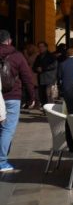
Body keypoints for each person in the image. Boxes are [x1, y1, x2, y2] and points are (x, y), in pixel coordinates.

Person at [0, 30, 36, 172]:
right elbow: (27, 77)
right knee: (8, 129)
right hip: (12, 96)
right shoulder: (17, 56)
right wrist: (32, 97)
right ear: (9, 41)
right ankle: (2, 161)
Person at [33, 41, 58, 109]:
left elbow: (54, 65)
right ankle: (45, 109)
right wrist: (36, 69)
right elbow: (34, 66)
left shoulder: (51, 56)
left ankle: (51, 109)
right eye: (39, 47)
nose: (40, 48)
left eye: (42, 47)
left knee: (48, 95)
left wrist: (43, 68)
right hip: (41, 79)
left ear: (46, 47)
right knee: (42, 95)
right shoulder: (38, 56)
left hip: (49, 79)